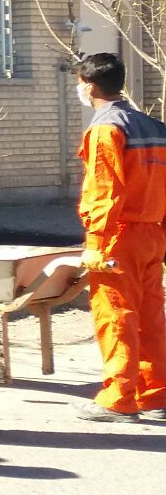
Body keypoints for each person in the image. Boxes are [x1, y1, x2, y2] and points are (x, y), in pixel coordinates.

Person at [69, 53, 166, 422]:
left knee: (116, 316)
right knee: (150, 317)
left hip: (118, 237)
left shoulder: (106, 130)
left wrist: (96, 245)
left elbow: (104, 192)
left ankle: (119, 399)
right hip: (152, 234)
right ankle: (156, 395)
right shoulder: (156, 128)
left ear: (89, 86)